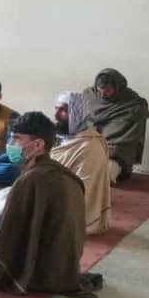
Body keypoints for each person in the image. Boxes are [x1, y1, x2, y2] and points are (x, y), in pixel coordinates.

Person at [0, 112, 98, 298]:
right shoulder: (57, 171)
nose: (11, 145)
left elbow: (7, 232)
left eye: (17, 139)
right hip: (63, 267)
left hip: (42, 272)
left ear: (38, 145)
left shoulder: (33, 178)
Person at [52, 91, 112, 234]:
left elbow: (81, 191)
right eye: (56, 108)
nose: (55, 115)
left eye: (63, 110)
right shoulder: (64, 138)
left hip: (69, 205)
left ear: (77, 113)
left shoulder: (89, 146)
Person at [84, 68, 149, 184]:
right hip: (86, 145)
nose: (103, 94)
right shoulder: (90, 95)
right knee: (62, 165)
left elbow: (129, 139)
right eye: (100, 90)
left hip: (114, 151)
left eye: (107, 91)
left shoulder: (134, 104)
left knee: (103, 175)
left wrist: (103, 146)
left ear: (117, 87)